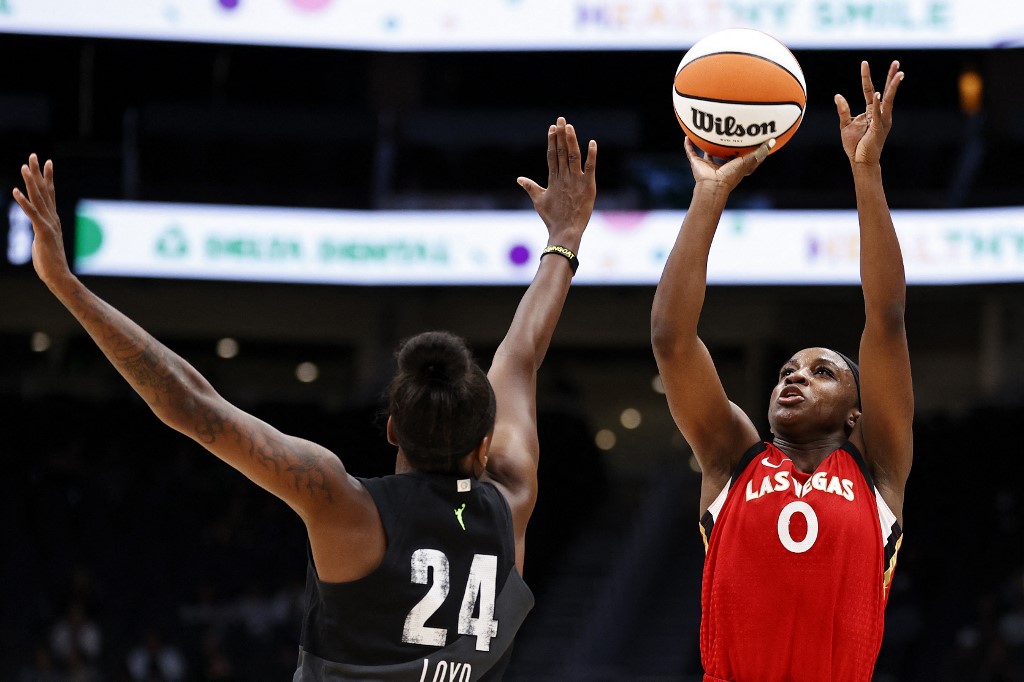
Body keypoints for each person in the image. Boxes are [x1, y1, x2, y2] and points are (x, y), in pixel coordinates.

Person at [14, 116, 597, 681]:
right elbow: (522, 353)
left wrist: (66, 285)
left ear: (392, 429)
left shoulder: (346, 506)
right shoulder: (511, 501)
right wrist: (565, 239)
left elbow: (191, 403)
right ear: (487, 443)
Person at [651, 61, 912, 681]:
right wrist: (709, 194)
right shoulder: (731, 458)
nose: (795, 376)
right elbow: (671, 340)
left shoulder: (877, 469)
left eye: (823, 372)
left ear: (856, 413)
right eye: (789, 370)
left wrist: (867, 173)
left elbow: (886, 318)